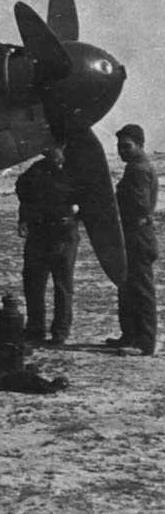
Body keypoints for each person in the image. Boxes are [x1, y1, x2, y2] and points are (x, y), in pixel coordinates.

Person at [15, 146, 81, 346]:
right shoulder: (35, 171)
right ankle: (35, 330)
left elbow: (92, 199)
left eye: (55, 149)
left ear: (63, 148)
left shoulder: (76, 171)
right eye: (47, 151)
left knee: (62, 284)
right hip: (38, 233)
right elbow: (23, 193)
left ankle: (60, 332)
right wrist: (23, 220)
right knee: (33, 282)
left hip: (63, 234)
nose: (50, 153)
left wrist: (74, 218)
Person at [106, 124, 159, 356]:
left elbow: (139, 206)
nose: (122, 151)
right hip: (133, 234)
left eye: (126, 146)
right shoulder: (138, 166)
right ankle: (130, 335)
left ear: (139, 145)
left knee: (141, 289)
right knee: (127, 287)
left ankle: (144, 342)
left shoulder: (137, 169)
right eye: (119, 147)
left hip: (137, 235)